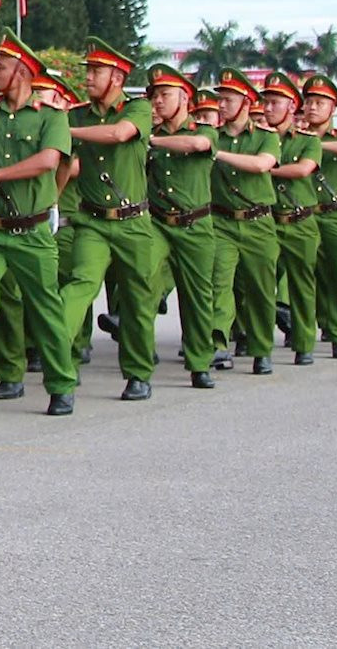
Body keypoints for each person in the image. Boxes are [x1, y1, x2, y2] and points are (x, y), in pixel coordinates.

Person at [58, 37, 163, 401]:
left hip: (133, 222)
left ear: (117, 77)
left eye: (97, 71)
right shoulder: (77, 114)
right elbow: (63, 164)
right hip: (92, 222)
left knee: (135, 300)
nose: (88, 77)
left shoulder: (138, 110)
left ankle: (137, 373)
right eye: (88, 70)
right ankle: (62, 368)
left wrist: (65, 131)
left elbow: (118, 135)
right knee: (79, 286)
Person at [0, 39, 78, 416]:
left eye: (0, 67)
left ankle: (61, 384)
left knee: (46, 310)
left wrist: (49, 197)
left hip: (33, 232)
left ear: (21, 71)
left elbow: (51, 161)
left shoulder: (50, 116)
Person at [142, 63, 220, 389]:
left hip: (196, 225)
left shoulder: (203, 130)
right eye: (154, 96)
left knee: (197, 298)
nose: (158, 101)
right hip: (159, 225)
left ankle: (199, 362)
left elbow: (198, 146)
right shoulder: (151, 135)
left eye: (165, 94)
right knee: (143, 286)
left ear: (185, 96)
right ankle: (140, 369)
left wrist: (152, 142)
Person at [208, 74, 282, 376]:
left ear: (246, 103)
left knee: (261, 289)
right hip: (222, 220)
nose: (222, 105)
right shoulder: (212, 134)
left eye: (229, 100)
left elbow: (261, 164)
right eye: (220, 99)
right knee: (219, 283)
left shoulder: (266, 135)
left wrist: (218, 154)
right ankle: (217, 344)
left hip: (258, 222)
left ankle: (262, 348)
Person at [297, 74, 337, 359]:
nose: (312, 107)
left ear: (332, 108)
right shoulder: (293, 138)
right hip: (306, 214)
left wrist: (313, 147)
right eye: (309, 101)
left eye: (320, 103)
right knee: (305, 277)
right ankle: (305, 335)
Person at [260, 75, 322, 365]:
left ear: (291, 107)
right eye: (266, 102)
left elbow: (303, 170)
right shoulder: (257, 138)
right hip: (267, 220)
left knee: (302, 283)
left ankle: (304, 341)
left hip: (300, 221)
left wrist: (263, 168)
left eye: (275, 103)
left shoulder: (308, 141)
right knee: (259, 282)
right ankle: (258, 343)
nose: (268, 108)